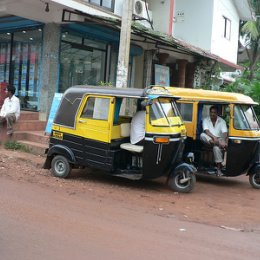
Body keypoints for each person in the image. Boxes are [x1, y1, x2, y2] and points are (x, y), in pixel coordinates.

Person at [200, 105, 228, 176]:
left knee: (216, 148)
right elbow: (206, 131)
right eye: (211, 112)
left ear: (217, 113)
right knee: (202, 135)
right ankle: (217, 143)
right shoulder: (206, 120)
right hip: (209, 139)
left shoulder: (222, 121)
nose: (212, 114)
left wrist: (223, 140)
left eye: (214, 112)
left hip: (219, 140)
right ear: (209, 112)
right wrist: (214, 137)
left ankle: (218, 170)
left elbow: (225, 132)